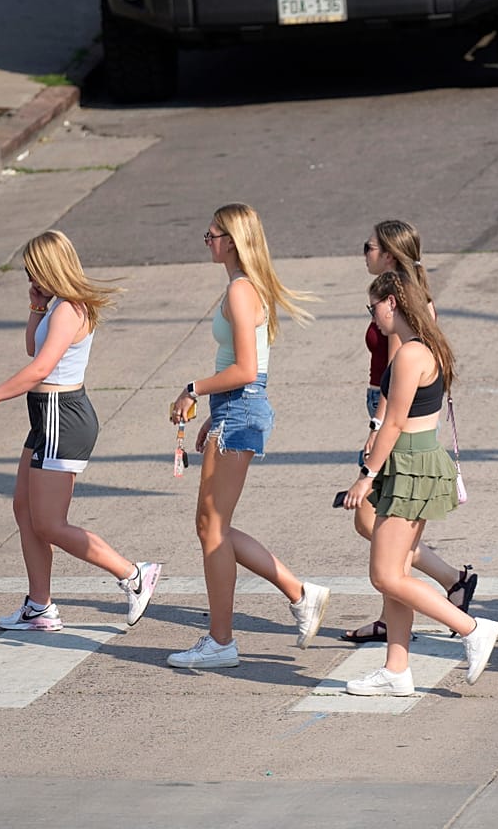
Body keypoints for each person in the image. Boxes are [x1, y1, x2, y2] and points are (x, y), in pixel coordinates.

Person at [0, 230, 162, 632]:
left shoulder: (69, 310)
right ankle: (39, 606)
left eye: (33, 269)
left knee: (50, 523)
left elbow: (40, 369)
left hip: (61, 418)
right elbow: (34, 349)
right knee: (25, 511)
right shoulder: (56, 307)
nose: (29, 276)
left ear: (50, 267)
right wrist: (37, 307)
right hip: (46, 417)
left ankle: (133, 575)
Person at [166, 203, 329, 668]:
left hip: (241, 406)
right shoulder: (243, 286)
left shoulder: (241, 290)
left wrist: (193, 389)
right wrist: (213, 413)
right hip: (233, 409)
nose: (207, 242)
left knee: (212, 528)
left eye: (212, 235)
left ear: (233, 242)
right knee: (210, 526)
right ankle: (299, 594)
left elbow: (246, 370)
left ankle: (222, 641)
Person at [341, 271, 498, 695]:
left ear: (392, 302)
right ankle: (396, 669)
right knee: (397, 571)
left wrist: (365, 477)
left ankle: (472, 628)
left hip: (410, 464)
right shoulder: (424, 345)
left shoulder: (412, 354)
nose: (372, 316)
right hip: (411, 462)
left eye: (373, 307)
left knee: (385, 576)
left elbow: (393, 422)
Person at [342, 219, 477, 644]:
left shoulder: (404, 312)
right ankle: (400, 622)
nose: (364, 253)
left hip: (395, 423)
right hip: (394, 418)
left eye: (368, 247)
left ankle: (453, 593)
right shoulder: (407, 299)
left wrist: (376, 429)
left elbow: (397, 382)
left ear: (388, 254)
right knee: (380, 536)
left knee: (374, 530)